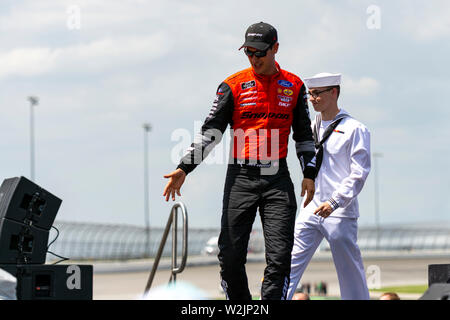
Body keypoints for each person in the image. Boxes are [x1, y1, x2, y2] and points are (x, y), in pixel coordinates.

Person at [163, 22, 317, 300]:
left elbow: (304, 134)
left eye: (259, 52)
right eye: (248, 52)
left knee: (280, 256)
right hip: (241, 178)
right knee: (231, 256)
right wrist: (184, 167)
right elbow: (211, 132)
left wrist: (309, 172)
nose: (254, 58)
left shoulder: (294, 85)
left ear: (275, 49)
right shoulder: (232, 85)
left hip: (277, 179)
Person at [287, 73, 371, 300]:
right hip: (310, 207)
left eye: (317, 93)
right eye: (309, 94)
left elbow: (359, 173)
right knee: (287, 264)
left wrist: (335, 202)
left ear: (334, 92)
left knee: (350, 273)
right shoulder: (308, 127)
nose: (312, 99)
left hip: (339, 211)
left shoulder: (355, 129)